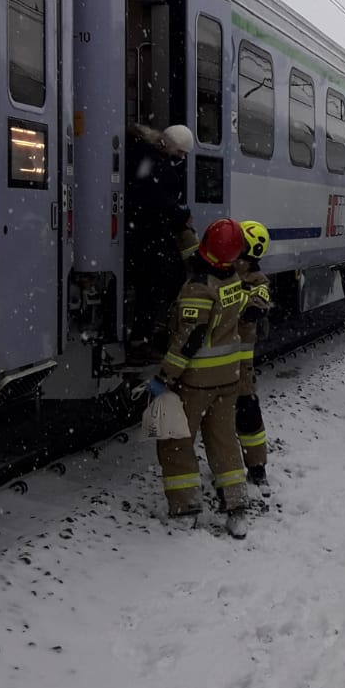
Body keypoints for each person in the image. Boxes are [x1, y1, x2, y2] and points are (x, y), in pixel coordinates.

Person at [147, 218, 252, 534]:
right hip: (228, 379)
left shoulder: (198, 289)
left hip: (196, 383)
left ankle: (186, 507)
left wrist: (164, 377)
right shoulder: (232, 277)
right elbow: (203, 255)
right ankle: (236, 508)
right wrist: (183, 226)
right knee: (224, 442)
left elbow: (187, 342)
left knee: (175, 440)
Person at [125, 121, 197, 353]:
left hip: (142, 234)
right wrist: (182, 214)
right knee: (157, 284)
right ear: (172, 146)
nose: (181, 158)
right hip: (150, 236)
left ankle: (145, 334)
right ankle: (147, 336)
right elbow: (159, 201)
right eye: (181, 152)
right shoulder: (157, 165)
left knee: (149, 286)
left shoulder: (146, 155)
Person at [230, 220, 273, 499]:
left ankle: (257, 468)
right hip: (221, 364)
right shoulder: (224, 272)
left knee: (247, 413)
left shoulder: (257, 282)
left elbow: (258, 305)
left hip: (238, 367)